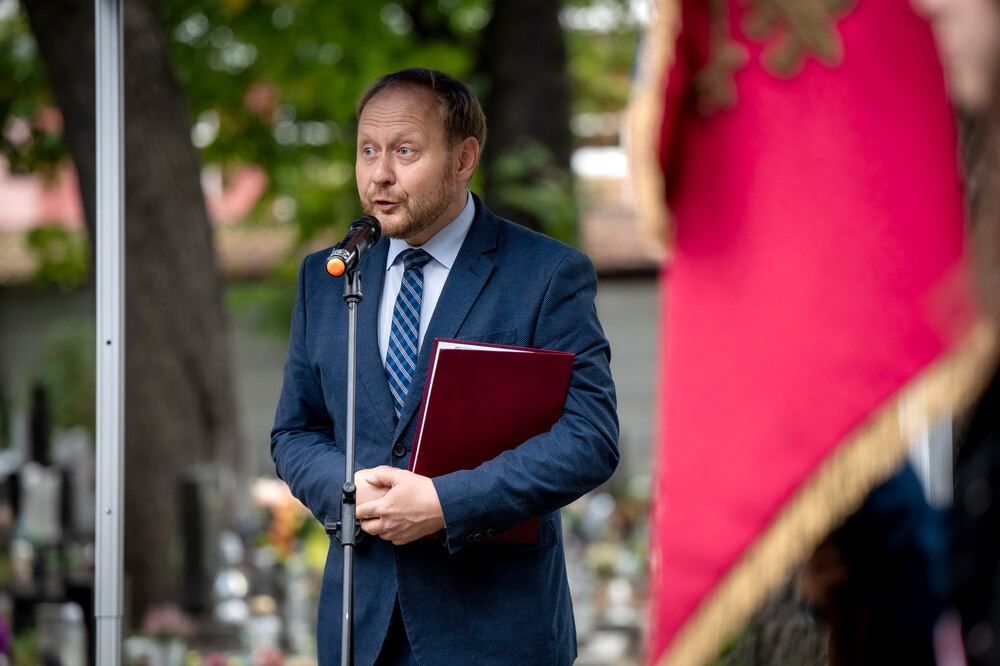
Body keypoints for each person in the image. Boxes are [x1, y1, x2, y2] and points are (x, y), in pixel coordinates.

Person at [270, 67, 619, 665]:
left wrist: (446, 503)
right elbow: (294, 432)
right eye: (368, 151)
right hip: (361, 625)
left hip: (495, 631)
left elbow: (590, 437)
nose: (380, 173)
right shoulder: (326, 278)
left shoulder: (545, 275)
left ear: (463, 159)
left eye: (405, 151)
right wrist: (353, 493)